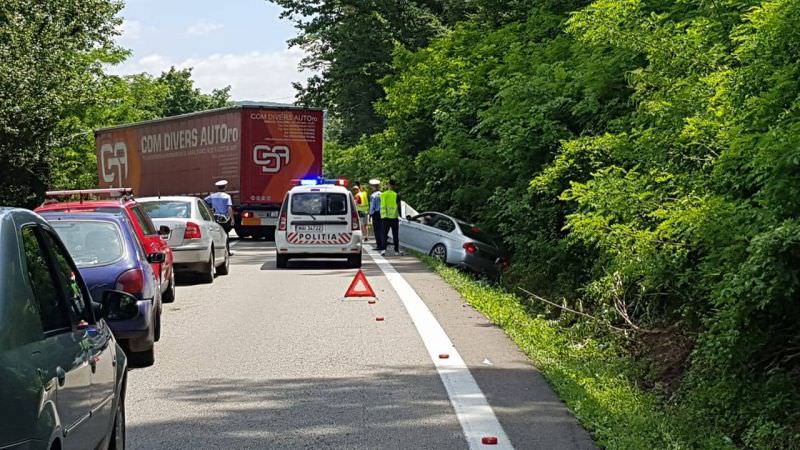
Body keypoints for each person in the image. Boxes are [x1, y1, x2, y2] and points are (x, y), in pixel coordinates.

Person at [205, 180, 234, 255]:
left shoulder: (212, 196)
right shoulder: (227, 196)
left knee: (215, 234)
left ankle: (216, 252)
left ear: (217, 188)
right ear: (225, 187)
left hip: (215, 218)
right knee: (225, 234)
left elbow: (204, 201)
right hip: (224, 219)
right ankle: (227, 251)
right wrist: (232, 219)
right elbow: (229, 208)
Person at [380, 179, 403, 256]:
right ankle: (396, 251)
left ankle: (383, 250)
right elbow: (399, 206)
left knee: (384, 234)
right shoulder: (396, 195)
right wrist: (401, 216)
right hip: (394, 217)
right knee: (395, 234)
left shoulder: (382, 194)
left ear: (388, 185)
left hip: (385, 217)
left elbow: (382, 205)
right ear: (394, 186)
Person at [368, 179, 383, 251]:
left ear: (373, 187)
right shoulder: (382, 194)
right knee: (382, 229)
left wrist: (370, 214)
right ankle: (383, 244)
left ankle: (379, 245)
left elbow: (372, 206)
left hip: (376, 214)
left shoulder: (373, 196)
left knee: (377, 230)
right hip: (382, 213)